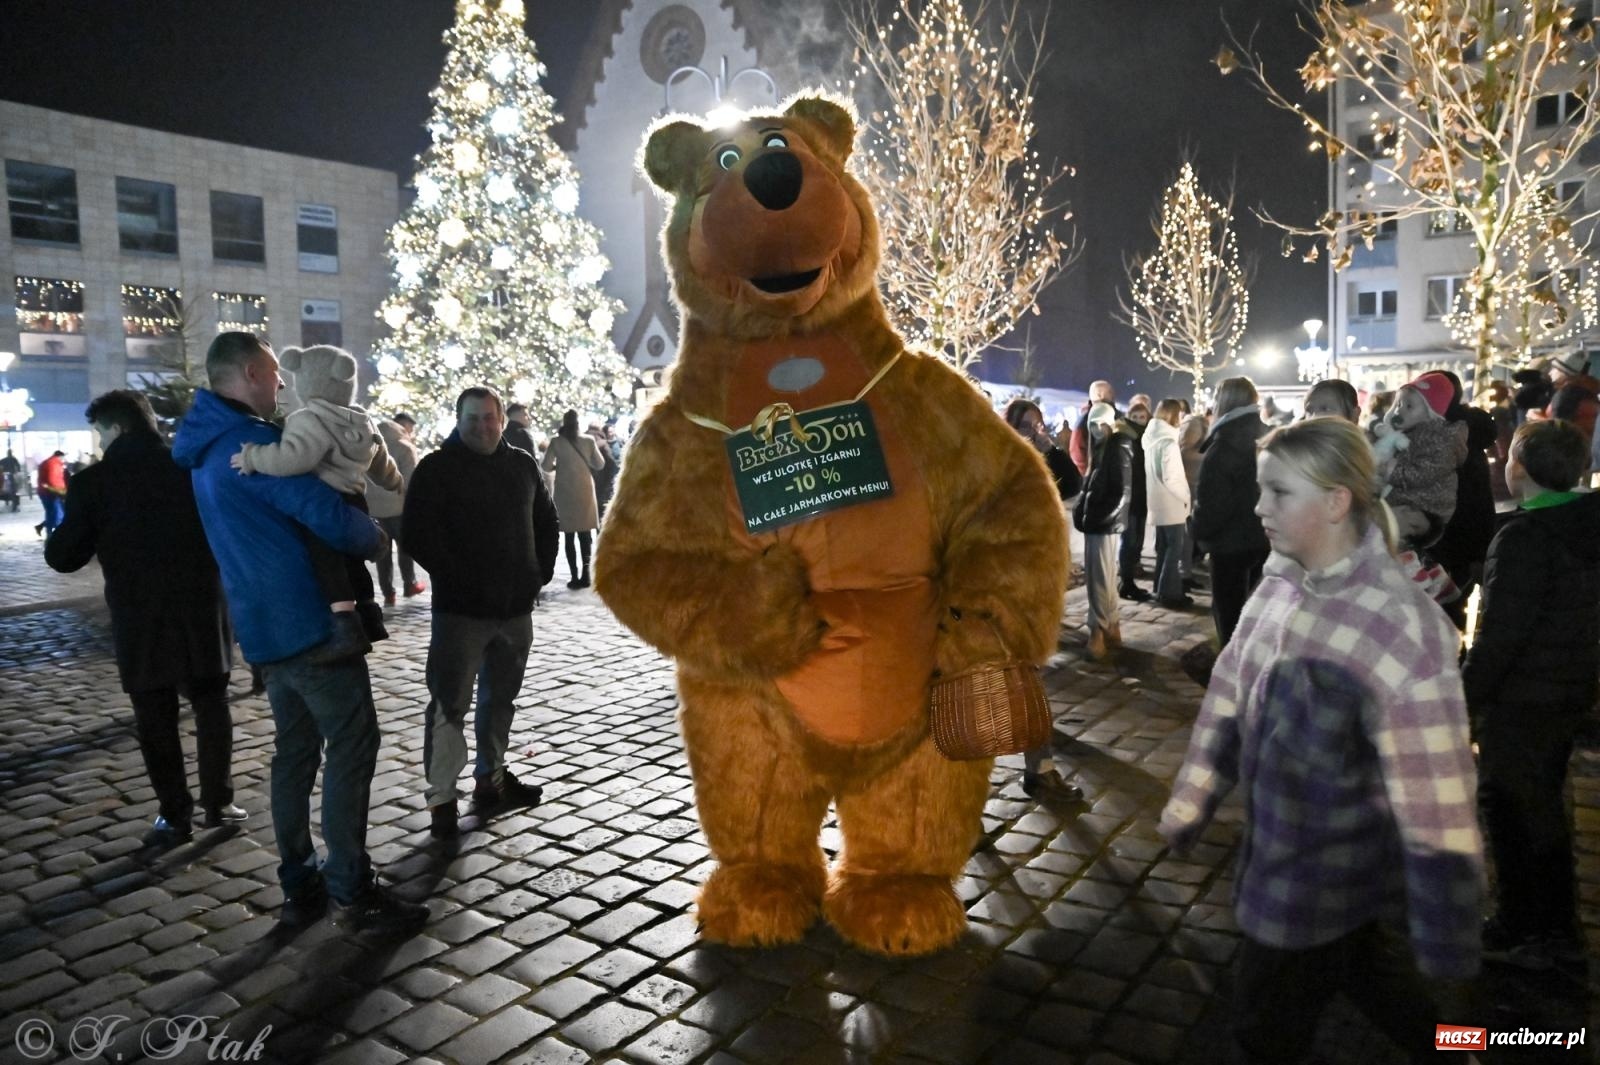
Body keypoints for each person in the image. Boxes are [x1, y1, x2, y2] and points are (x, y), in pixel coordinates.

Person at [1161, 417, 1482, 1065]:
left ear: (1336, 502)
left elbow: (1437, 789)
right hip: (1300, 865)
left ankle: (1473, 1044)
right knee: (1378, 982)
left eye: (1278, 492)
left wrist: (1448, 924)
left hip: (1309, 879)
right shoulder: (1280, 581)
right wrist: (1194, 794)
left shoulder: (1396, 621)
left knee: (1262, 1026)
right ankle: (1464, 1050)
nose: (1258, 506)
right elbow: (1231, 688)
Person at [173, 331, 428, 935]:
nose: (282, 386)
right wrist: (374, 537)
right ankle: (352, 888)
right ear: (255, 374)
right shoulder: (255, 443)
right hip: (311, 620)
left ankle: (299, 881)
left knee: (295, 751)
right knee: (352, 742)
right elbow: (329, 518)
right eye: (273, 375)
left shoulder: (206, 449)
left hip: (261, 625)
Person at [46, 390, 241, 848]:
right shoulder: (188, 466)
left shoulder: (95, 481)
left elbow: (64, 557)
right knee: (211, 705)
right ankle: (219, 802)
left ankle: (175, 814)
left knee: (156, 716)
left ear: (113, 428)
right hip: (202, 606)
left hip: (140, 614)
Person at [1462, 419, 1596, 971]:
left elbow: (1500, 637)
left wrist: (1463, 698)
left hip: (1522, 700)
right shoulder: (1584, 522)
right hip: (1565, 691)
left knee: (1514, 808)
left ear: (1521, 467)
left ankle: (1534, 928)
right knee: (1539, 803)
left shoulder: (1524, 538)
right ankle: (1541, 924)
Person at [403, 386, 560, 839]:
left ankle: (491, 777)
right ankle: (442, 798)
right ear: (458, 419)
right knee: (450, 704)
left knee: (500, 700)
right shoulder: (437, 468)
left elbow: (545, 520)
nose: (483, 426)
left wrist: (539, 573)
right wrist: (458, 575)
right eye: (473, 418)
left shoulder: (521, 464)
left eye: (490, 417)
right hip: (461, 613)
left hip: (514, 609)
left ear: (501, 420)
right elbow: (417, 533)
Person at [229, 344, 402, 662]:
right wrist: (394, 481)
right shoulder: (363, 420)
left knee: (328, 562)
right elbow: (382, 462)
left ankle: (345, 626)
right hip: (356, 499)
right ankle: (368, 612)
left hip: (325, 499)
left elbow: (293, 458)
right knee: (353, 562)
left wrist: (253, 456)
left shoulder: (309, 419)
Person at [1003, 398, 1082, 801]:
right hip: (1000, 589)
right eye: (1025, 425)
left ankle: (1041, 768)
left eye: (1036, 424)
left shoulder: (1040, 461)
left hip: (1026, 585)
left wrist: (1050, 449)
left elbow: (1073, 483)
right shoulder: (997, 461)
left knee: (1026, 680)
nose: (1031, 431)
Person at [1191, 377, 1270, 647]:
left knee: (1231, 618)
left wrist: (1197, 533)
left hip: (1229, 546)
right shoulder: (1268, 436)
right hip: (1265, 538)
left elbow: (1212, 504)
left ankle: (1233, 677)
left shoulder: (1223, 446)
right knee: (1259, 615)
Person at [1372, 373, 1467, 550]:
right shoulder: (1409, 433)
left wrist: (1393, 470)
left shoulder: (1441, 439)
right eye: (1399, 404)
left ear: (1430, 412)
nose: (1400, 410)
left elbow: (1425, 472)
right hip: (1407, 499)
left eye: (1409, 406)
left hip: (1427, 505)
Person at [1072, 402, 1132, 660]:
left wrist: (1099, 516)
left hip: (1103, 522)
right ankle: (1111, 625)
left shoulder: (1117, 446)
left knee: (1099, 576)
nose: (1096, 429)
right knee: (1104, 576)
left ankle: (1098, 629)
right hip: (1100, 520)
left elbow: (1122, 489)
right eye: (1092, 424)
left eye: (1100, 424)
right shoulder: (1106, 446)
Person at [541, 408, 605, 589]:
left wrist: (557, 467)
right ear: (578, 423)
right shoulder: (588, 440)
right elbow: (600, 464)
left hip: (564, 491)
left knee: (569, 537)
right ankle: (586, 576)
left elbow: (545, 466)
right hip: (584, 491)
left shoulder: (556, 442)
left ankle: (574, 576)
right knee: (586, 536)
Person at [369, 414, 425, 606]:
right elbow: (411, 480)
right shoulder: (404, 447)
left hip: (374, 509)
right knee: (405, 547)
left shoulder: (369, 445)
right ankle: (409, 584)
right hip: (399, 507)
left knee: (383, 552)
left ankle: (387, 593)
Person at [1143, 399, 1192, 607]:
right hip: (1171, 504)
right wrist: (1185, 497)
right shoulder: (1168, 442)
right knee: (1174, 549)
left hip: (1157, 502)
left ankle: (1159, 587)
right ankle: (1169, 593)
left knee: (1164, 548)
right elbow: (1171, 477)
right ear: (1173, 415)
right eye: (1180, 415)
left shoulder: (1153, 439)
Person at [1116, 403, 1151, 601]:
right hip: (1130, 495)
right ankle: (1126, 582)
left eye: (1142, 417)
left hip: (1142, 494)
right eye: (1135, 416)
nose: (1139, 420)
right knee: (1128, 540)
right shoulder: (1126, 436)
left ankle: (1129, 581)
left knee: (1137, 540)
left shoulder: (1146, 436)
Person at [1544, 348, 1600, 444]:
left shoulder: (1566, 394)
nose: (1550, 372)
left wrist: (1536, 419)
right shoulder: (1586, 390)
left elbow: (1559, 429)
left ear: (1564, 372)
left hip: (1575, 449)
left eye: (1554, 369)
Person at [1069, 380, 1117, 475]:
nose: (1113, 395)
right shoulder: (1084, 422)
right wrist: (1090, 473)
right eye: (1110, 392)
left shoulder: (1082, 421)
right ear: (1100, 395)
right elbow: (1077, 453)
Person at [35, 449, 66, 537]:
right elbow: (53, 479)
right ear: (60, 457)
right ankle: (56, 533)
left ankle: (48, 531)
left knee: (52, 512)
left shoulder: (48, 462)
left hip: (46, 491)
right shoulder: (54, 464)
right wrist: (61, 491)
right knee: (58, 513)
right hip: (52, 492)